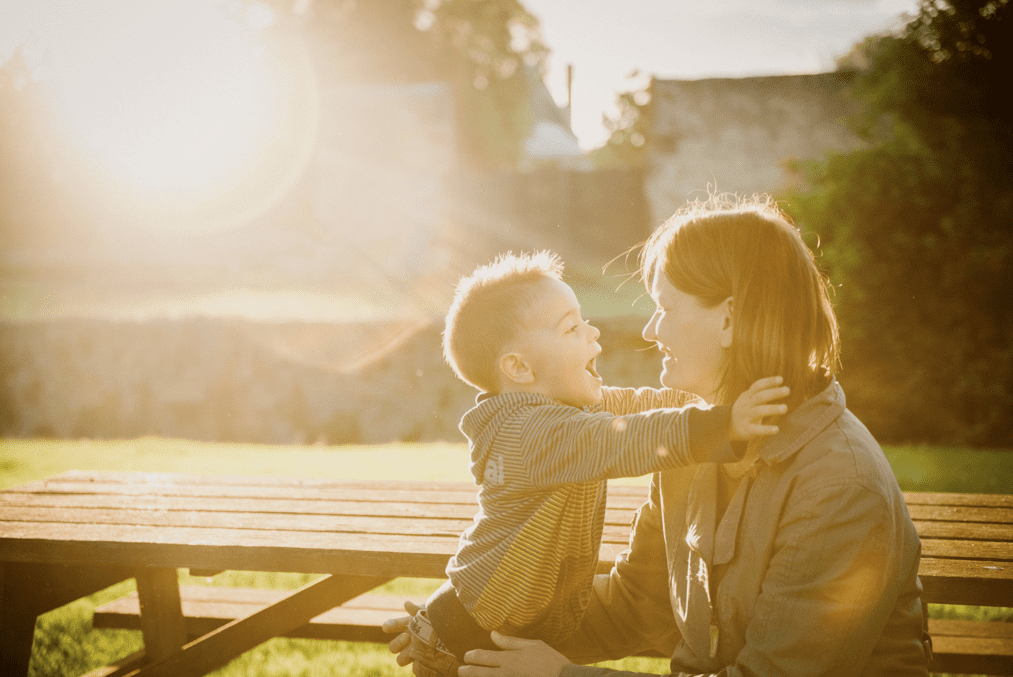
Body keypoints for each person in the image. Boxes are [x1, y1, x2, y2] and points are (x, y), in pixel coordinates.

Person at [386, 197, 930, 676]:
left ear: (729, 320)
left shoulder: (838, 484)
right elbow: (636, 604)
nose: (648, 331)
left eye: (665, 308)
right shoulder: (692, 439)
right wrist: (464, 629)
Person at [399, 250, 791, 677]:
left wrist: (711, 395)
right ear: (519, 367)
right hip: (468, 639)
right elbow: (626, 440)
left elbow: (643, 408)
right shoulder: (531, 434)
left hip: (482, 621)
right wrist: (724, 424)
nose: (593, 332)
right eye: (571, 327)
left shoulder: (569, 410)